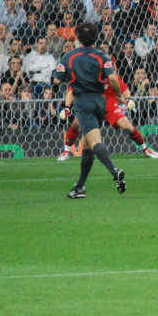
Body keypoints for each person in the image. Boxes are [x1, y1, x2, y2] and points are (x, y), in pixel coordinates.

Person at [53, 22, 127, 199]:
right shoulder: (103, 56)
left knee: (94, 143)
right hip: (100, 102)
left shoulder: (69, 56)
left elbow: (56, 81)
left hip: (83, 102)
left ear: (78, 37)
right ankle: (79, 187)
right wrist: (119, 95)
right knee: (86, 145)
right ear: (96, 37)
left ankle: (114, 171)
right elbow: (112, 77)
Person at [58, 49, 158, 161]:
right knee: (75, 124)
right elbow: (71, 91)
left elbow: (125, 88)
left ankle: (145, 149)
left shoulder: (113, 76)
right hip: (91, 102)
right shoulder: (87, 75)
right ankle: (66, 152)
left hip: (109, 104)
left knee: (127, 126)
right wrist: (67, 107)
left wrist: (128, 99)